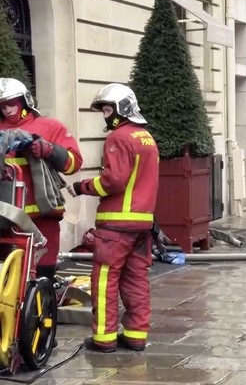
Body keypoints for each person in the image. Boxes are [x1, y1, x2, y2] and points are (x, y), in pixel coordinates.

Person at [67, 83, 160, 353]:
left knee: (105, 280)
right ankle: (135, 335)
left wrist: (81, 187)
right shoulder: (146, 137)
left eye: (108, 109)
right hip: (142, 224)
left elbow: (113, 181)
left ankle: (104, 339)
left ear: (122, 109)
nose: (105, 116)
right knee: (136, 280)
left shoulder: (118, 138)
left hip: (116, 225)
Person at [0, 78, 83, 281]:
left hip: (42, 222)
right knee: (6, 282)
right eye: (2, 105)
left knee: (42, 279)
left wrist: (50, 150)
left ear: (24, 101)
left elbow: (74, 163)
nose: (7, 109)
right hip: (4, 221)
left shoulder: (49, 127)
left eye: (12, 102)